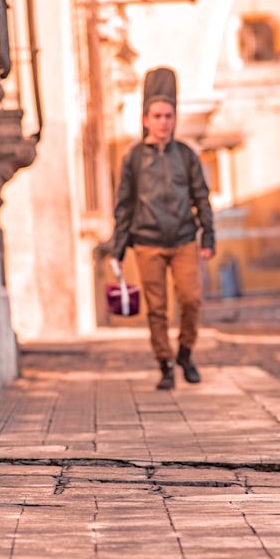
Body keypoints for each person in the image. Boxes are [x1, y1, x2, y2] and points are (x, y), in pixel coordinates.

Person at [110, 83, 215, 390]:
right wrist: (118, 247)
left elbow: (201, 197)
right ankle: (165, 364)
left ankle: (185, 353)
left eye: (169, 116)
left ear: (174, 118)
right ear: (146, 120)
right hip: (148, 242)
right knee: (156, 309)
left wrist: (208, 238)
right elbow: (124, 205)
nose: (164, 122)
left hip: (184, 239)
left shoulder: (185, 155)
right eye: (157, 116)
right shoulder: (133, 158)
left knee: (192, 300)